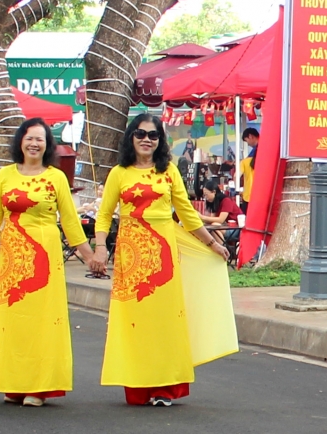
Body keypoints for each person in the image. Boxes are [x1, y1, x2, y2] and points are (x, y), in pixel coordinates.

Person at [94, 114, 229, 406]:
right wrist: (100, 247)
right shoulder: (119, 173)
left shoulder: (168, 172)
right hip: (130, 257)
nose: (146, 139)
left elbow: (186, 213)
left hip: (163, 256)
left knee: (165, 321)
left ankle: (165, 388)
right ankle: (138, 387)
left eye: (153, 135)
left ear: (160, 141)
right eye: (141, 134)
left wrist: (212, 243)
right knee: (134, 322)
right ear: (131, 137)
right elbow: (104, 215)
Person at [0, 118, 103, 407]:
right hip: (12, 256)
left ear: (47, 145)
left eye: (40, 139)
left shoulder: (56, 177)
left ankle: (39, 387)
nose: (34, 143)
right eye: (29, 138)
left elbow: (70, 221)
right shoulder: (5, 175)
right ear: (20, 141)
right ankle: (13, 383)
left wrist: (89, 256)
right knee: (13, 320)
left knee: (42, 321)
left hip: (45, 255)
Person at [240, 127, 259, 214]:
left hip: (252, 192)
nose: (247, 144)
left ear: (250, 136)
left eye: (246, 140)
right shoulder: (257, 148)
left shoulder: (259, 148)